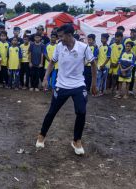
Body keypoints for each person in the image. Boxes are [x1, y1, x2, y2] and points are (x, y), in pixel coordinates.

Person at [36, 24, 97, 155]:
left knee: (81, 112)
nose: (59, 39)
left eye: (61, 36)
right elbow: (52, 62)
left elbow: (93, 63)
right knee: (52, 111)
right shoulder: (59, 47)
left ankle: (76, 140)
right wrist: (46, 78)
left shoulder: (83, 47)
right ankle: (42, 135)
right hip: (61, 85)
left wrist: (93, 83)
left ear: (69, 35)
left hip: (78, 85)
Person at [124, 28, 136, 94]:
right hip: (125, 60)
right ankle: (120, 89)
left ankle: (130, 90)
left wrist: (134, 58)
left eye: (134, 32)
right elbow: (124, 49)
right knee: (123, 74)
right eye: (131, 32)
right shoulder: (127, 40)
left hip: (133, 62)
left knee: (131, 76)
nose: (132, 33)